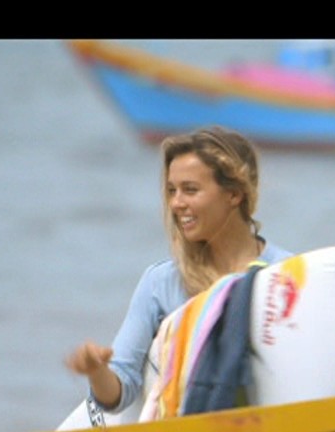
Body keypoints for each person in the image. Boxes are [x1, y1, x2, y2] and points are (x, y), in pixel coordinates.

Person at [65, 125, 293, 417]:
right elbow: (119, 392)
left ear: (234, 194)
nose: (176, 203)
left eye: (190, 190)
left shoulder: (287, 276)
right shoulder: (162, 283)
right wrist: (97, 371)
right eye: (172, 190)